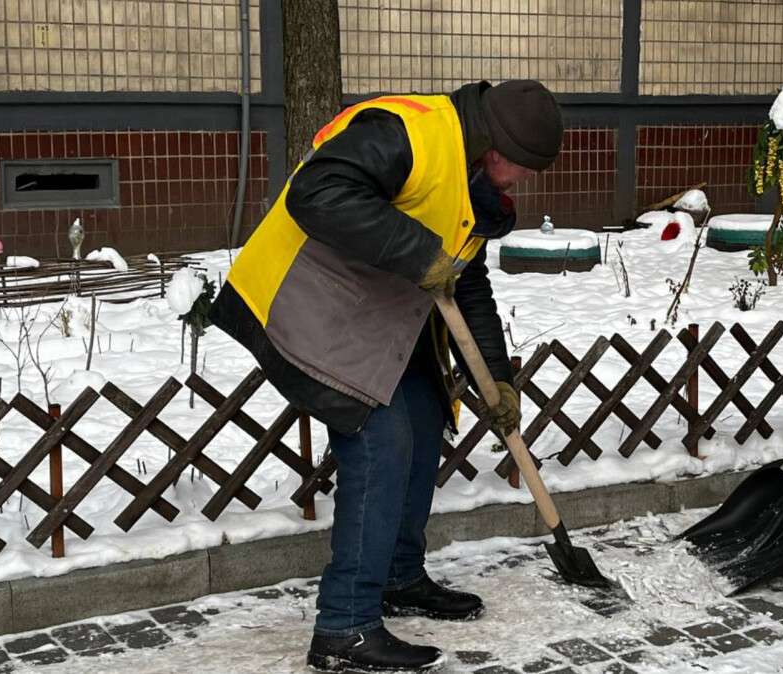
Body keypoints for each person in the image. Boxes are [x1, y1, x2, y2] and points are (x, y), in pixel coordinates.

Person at [210, 79, 564, 671]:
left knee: (423, 421)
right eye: (524, 168)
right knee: (383, 441)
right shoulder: (409, 134)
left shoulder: (474, 183)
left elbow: (467, 284)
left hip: (376, 309)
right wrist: (419, 252)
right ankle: (343, 627)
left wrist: (495, 379)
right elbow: (317, 192)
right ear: (496, 148)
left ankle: (398, 575)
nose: (524, 181)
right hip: (304, 295)